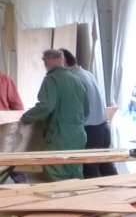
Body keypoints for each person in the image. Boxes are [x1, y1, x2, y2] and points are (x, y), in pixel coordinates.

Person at [20, 49, 88, 182]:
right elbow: (86, 110)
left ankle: (61, 203)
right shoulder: (77, 80)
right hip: (78, 134)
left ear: (47, 61)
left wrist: (26, 117)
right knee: (75, 174)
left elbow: (46, 106)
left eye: (45, 61)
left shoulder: (52, 79)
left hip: (59, 136)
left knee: (57, 175)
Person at [60, 48, 117, 178]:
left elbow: (73, 108)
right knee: (106, 166)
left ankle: (96, 198)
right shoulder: (86, 73)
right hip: (103, 127)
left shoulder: (74, 79)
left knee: (90, 169)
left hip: (91, 130)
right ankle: (117, 194)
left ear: (63, 62)